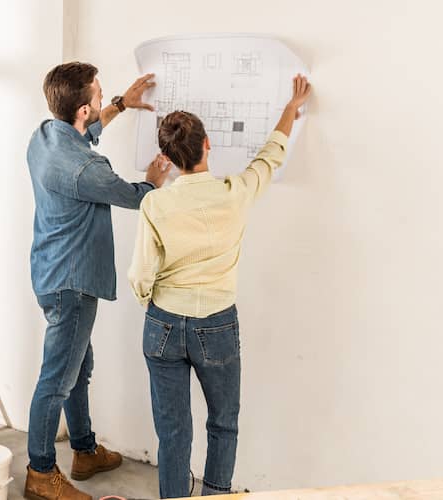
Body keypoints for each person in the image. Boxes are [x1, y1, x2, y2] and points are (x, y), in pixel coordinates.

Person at [128, 75, 312, 497]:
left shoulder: (155, 202)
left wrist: (154, 304)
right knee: (223, 423)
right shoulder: (235, 193)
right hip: (217, 324)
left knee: (173, 432)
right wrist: (289, 110)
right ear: (208, 145)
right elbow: (268, 159)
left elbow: (140, 274)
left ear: (167, 158)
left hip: (164, 324)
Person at [25, 61, 173, 500]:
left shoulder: (46, 136)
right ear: (82, 108)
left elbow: (86, 133)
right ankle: (40, 473)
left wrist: (121, 105)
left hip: (50, 271)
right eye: (99, 93)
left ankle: (85, 450)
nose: (102, 96)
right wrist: (152, 180)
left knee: (77, 367)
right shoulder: (85, 170)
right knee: (56, 379)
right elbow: (134, 197)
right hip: (72, 284)